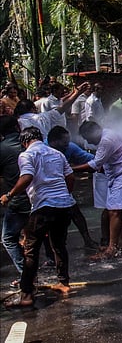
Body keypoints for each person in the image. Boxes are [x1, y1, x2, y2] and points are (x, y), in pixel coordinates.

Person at [0, 127, 76, 308]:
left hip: (44, 206)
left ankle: (26, 294)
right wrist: (64, 194)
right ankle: (64, 283)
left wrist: (9, 195)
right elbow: (70, 176)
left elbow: (27, 177)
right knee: (58, 245)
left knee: (30, 249)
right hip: (64, 205)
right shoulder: (57, 153)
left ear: (24, 141)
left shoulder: (26, 155)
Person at [72, 121, 122, 260]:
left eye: (88, 138)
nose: (88, 141)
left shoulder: (106, 140)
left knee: (114, 211)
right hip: (118, 174)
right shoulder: (109, 134)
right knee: (116, 210)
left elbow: (95, 165)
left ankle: (112, 248)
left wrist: (70, 169)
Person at [46, 126, 100, 250]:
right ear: (53, 141)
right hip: (45, 191)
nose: (67, 145)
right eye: (64, 143)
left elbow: (90, 158)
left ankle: (87, 240)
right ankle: (49, 251)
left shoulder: (69, 147)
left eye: (68, 142)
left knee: (76, 213)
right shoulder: (42, 150)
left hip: (63, 189)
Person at [1, 115, 28, 281]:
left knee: (9, 238)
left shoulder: (2, 148)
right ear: (18, 126)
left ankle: (27, 276)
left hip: (18, 201)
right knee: (34, 238)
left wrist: (8, 195)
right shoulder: (29, 144)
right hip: (40, 199)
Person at [15, 82, 90, 137]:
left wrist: (75, 92)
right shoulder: (43, 116)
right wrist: (77, 93)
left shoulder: (17, 123)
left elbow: (63, 104)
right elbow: (62, 108)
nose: (62, 92)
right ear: (32, 109)